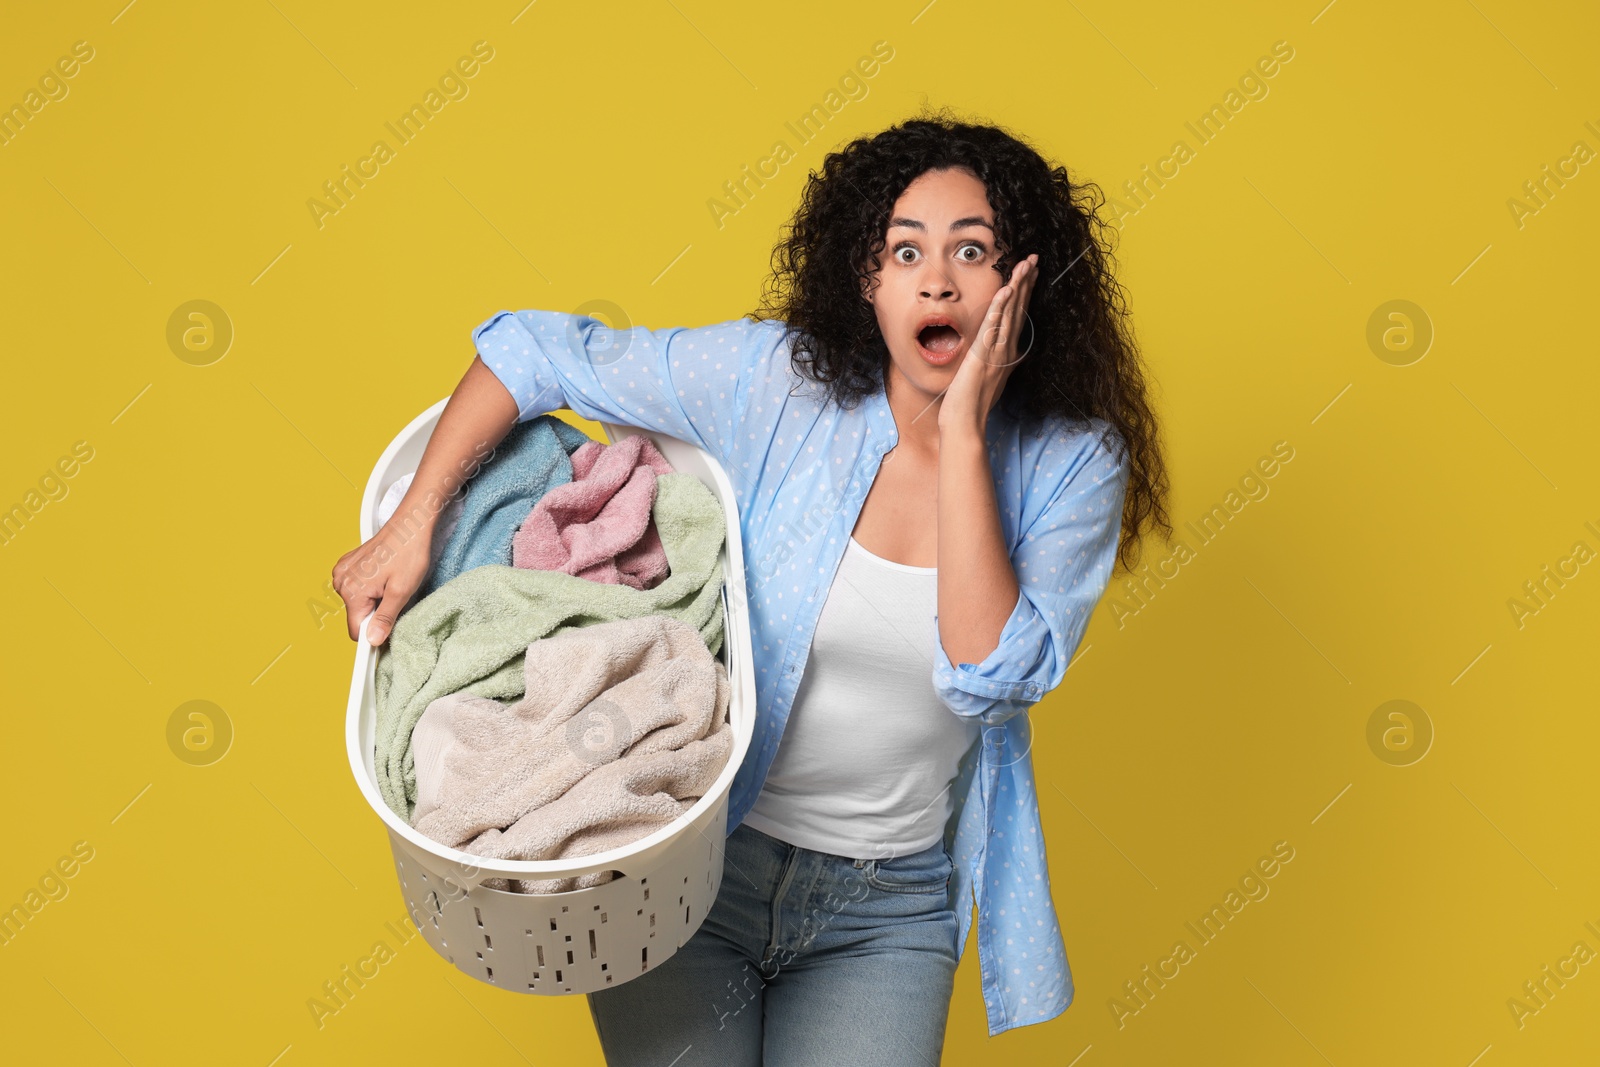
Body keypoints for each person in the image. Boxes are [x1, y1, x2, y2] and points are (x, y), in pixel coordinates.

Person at [331, 109, 1170, 1065]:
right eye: (905, 252)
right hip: (690, 865)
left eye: (971, 251)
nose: (937, 278)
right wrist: (414, 519)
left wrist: (966, 435)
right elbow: (535, 350)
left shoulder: (1072, 465)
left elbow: (988, 673)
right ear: (867, 279)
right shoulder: (779, 382)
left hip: (885, 907)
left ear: (1024, 283)